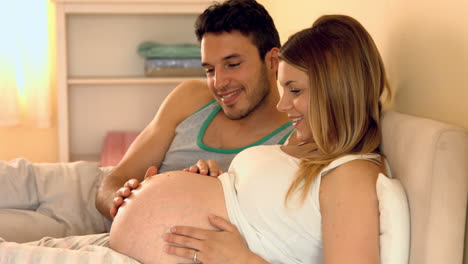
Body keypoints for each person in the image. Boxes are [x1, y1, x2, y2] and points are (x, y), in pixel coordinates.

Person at [109, 14, 397, 264]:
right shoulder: (306, 147)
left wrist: (243, 260)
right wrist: (210, 179)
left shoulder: (352, 175)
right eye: (284, 89)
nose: (283, 106)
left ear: (338, 90)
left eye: (295, 90)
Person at [95, 0, 294, 221]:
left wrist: (207, 191)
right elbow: (111, 182)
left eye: (233, 64)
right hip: (123, 238)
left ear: (273, 60)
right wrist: (126, 204)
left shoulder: (295, 141)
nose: (218, 83)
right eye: (209, 69)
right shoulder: (190, 98)